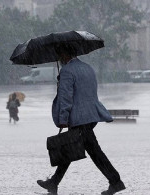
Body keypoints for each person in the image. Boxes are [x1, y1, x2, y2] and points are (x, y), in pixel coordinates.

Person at [37, 44, 125, 195]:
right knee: (70, 148)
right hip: (90, 116)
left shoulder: (67, 71)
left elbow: (66, 98)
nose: (59, 59)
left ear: (65, 54)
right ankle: (54, 182)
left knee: (93, 152)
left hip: (78, 118)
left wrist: (63, 118)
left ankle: (116, 181)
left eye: (60, 55)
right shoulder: (88, 68)